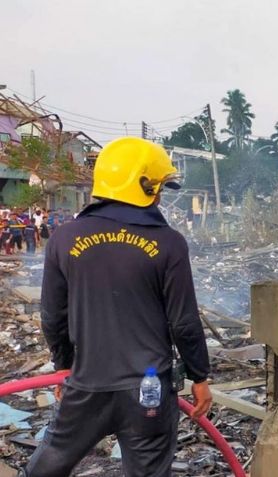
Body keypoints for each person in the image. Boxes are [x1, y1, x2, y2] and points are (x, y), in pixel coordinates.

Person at [27, 137, 212, 477]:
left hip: (85, 385)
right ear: (144, 187)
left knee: (43, 471)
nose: (160, 197)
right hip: (149, 393)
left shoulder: (64, 238)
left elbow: (53, 317)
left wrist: (64, 365)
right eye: (158, 188)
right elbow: (183, 322)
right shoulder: (169, 243)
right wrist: (199, 375)